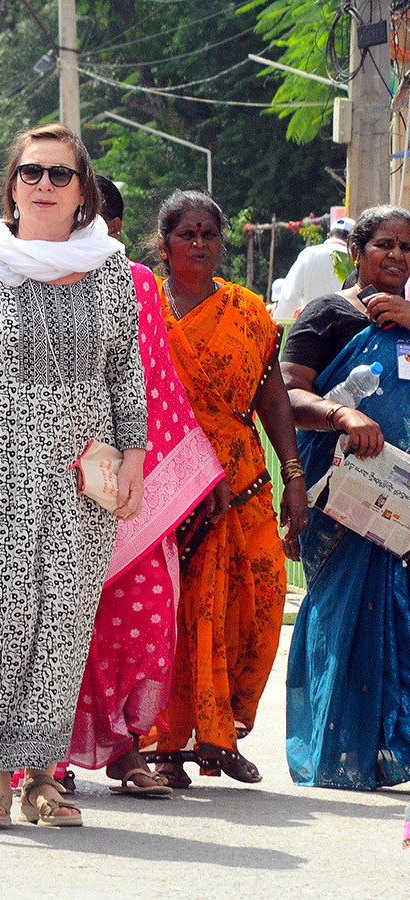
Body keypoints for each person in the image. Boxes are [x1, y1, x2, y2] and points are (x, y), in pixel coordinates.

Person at [0, 123, 147, 828]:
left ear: (83, 191)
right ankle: (1, 768)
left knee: (65, 619)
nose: (43, 185)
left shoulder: (109, 267)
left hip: (86, 467)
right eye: (31, 173)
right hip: (1, 457)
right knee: (8, 611)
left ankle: (40, 773)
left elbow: (125, 371)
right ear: (11, 187)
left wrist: (132, 458)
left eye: (59, 175)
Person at [64, 176, 225, 794]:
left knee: (145, 613)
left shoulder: (132, 285)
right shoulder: (16, 274)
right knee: (55, 617)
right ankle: (40, 757)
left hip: (127, 480)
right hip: (46, 476)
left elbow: (156, 384)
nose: (93, 231)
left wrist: (192, 468)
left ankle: (127, 748)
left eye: (104, 221)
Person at [145, 189, 308, 787]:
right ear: (163, 245)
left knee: (259, 604)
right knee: (175, 610)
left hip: (241, 478)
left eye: (209, 234)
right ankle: (166, 743)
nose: (199, 243)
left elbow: (271, 396)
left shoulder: (247, 311)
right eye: (186, 234)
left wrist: (294, 479)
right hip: (164, 478)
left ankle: (223, 731)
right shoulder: (142, 308)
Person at [281, 204, 410, 789]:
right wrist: (341, 413)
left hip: (403, 502)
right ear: (355, 254)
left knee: (399, 619)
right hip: (342, 496)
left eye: (407, 248)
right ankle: (333, 754)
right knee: (341, 612)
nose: (397, 256)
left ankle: (388, 753)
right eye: (384, 244)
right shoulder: (328, 314)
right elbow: (285, 395)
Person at [278, 217, 354, 318]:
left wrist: (279, 324)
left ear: (328, 236)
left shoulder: (308, 254)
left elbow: (289, 297)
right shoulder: (356, 261)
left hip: (311, 325)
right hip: (346, 328)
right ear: (353, 240)